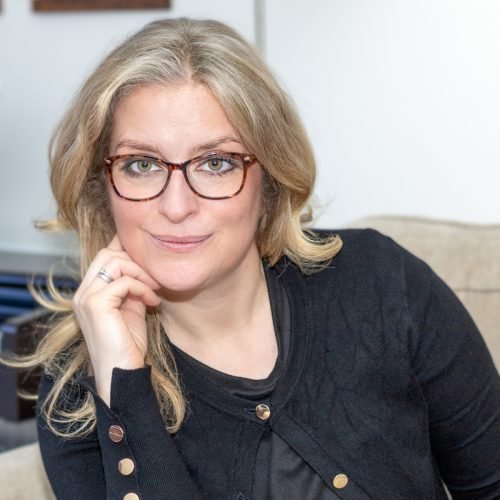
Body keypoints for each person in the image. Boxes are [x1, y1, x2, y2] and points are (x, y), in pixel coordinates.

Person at [14, 17, 500, 499]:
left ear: (269, 180)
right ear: (103, 189)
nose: (177, 206)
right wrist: (126, 388)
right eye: (141, 165)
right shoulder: (79, 387)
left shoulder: (381, 281)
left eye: (216, 163)